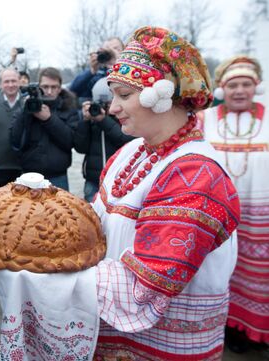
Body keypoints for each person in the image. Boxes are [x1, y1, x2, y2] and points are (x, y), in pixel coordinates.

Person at [89, 27, 240, 359]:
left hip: (162, 347)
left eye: (124, 95)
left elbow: (148, 284)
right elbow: (92, 223)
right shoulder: (130, 153)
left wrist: (51, 276)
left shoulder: (197, 174)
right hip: (114, 338)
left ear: (162, 94)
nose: (113, 108)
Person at [198, 55, 269, 352]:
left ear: (256, 87)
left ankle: (252, 333)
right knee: (216, 270)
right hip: (218, 213)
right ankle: (220, 328)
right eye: (233, 85)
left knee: (256, 276)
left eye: (246, 84)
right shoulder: (205, 119)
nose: (239, 91)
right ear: (221, 89)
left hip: (260, 219)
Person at [10, 67, 78, 190]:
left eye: (54, 87)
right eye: (45, 87)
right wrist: (25, 112)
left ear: (60, 88)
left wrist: (49, 119)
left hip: (58, 176)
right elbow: (15, 140)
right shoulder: (25, 107)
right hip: (29, 176)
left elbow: (71, 141)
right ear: (38, 86)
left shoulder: (69, 108)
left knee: (60, 209)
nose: (49, 91)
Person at [73, 77, 135, 201]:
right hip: (93, 181)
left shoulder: (123, 118)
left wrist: (103, 120)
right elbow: (80, 147)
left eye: (108, 103)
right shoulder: (91, 118)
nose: (106, 108)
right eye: (100, 103)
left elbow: (124, 140)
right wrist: (85, 121)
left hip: (119, 180)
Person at [69, 37, 124, 103]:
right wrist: (92, 71)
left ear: (124, 51)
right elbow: (73, 90)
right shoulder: (97, 74)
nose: (111, 52)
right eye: (107, 49)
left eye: (116, 49)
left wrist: (118, 64)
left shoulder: (131, 70)